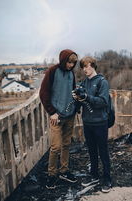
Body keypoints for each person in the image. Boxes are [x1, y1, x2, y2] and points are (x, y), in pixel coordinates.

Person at [39, 49, 78, 189]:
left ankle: (64, 171)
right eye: (69, 62)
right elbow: (43, 93)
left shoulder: (71, 74)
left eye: (73, 63)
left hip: (70, 115)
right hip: (56, 116)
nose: (71, 65)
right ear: (63, 60)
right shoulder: (52, 71)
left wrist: (76, 107)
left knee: (67, 144)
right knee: (56, 146)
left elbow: (73, 92)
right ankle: (51, 174)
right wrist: (52, 112)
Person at [74, 56, 112, 193]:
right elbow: (83, 102)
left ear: (93, 66)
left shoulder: (102, 82)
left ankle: (107, 179)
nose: (85, 69)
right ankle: (94, 175)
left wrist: (86, 97)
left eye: (87, 66)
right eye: (83, 67)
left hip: (100, 122)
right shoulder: (84, 83)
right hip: (87, 122)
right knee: (91, 151)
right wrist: (77, 98)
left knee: (103, 151)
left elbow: (103, 101)